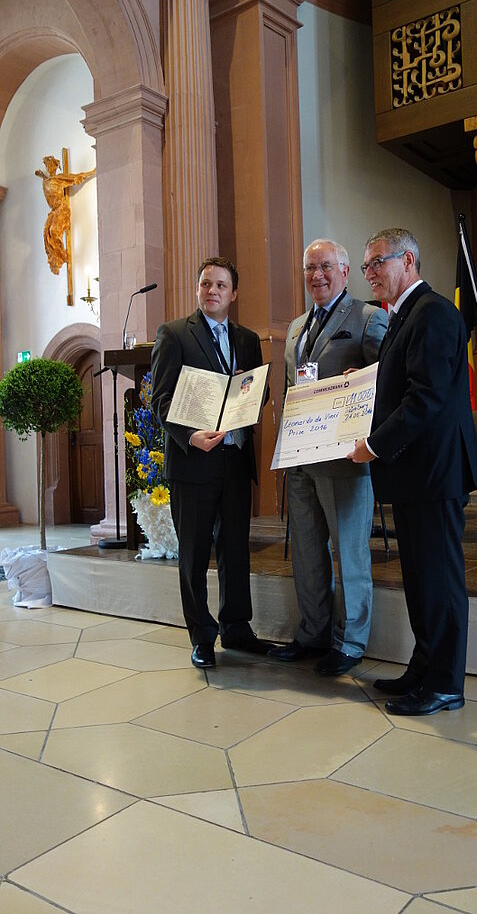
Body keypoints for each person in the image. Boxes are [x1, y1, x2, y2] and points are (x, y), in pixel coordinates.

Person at [348, 228, 477, 715]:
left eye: (377, 262)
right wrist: (363, 382)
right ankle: (424, 667)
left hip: (434, 473)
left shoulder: (434, 312)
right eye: (365, 266)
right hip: (414, 474)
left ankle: (445, 683)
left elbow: (425, 396)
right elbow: (403, 379)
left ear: (408, 261)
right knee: (421, 580)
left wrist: (374, 446)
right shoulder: (404, 314)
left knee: (439, 581)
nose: (370, 273)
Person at [269, 238, 388, 675]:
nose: (316, 275)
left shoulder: (368, 318)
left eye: (325, 267)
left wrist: (367, 380)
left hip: (345, 461)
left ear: (345, 271)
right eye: (309, 268)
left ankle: (350, 643)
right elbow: (290, 389)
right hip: (300, 459)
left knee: (349, 554)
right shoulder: (296, 327)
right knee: (306, 552)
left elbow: (390, 380)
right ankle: (313, 633)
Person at [151, 257, 275, 669]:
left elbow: (260, 393)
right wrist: (190, 436)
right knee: (194, 552)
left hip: (235, 458)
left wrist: (249, 388)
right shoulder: (174, 334)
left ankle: (236, 628)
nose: (212, 291)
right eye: (206, 284)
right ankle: (202, 637)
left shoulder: (247, 339)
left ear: (233, 293)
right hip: (194, 461)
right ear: (198, 288)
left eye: (221, 285)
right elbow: (160, 399)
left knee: (235, 549)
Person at [35, 155, 95, 274]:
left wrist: (92, 172)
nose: (49, 167)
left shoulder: (60, 179)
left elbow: (76, 177)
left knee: (54, 231)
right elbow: (48, 184)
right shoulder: (46, 181)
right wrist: (42, 176)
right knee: (46, 232)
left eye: (52, 165)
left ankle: (60, 257)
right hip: (54, 210)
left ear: (56, 167)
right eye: (47, 165)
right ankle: (54, 259)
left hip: (62, 208)